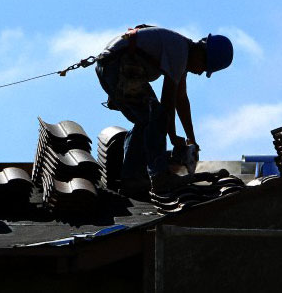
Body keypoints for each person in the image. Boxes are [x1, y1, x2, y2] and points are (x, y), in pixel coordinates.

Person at [95, 25, 233, 197]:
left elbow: (181, 100)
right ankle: (157, 176)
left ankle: (133, 177)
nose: (200, 72)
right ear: (201, 52)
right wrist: (174, 138)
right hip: (116, 66)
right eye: (204, 67)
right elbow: (168, 102)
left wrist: (191, 139)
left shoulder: (182, 53)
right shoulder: (179, 53)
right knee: (156, 115)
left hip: (116, 66)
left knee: (146, 119)